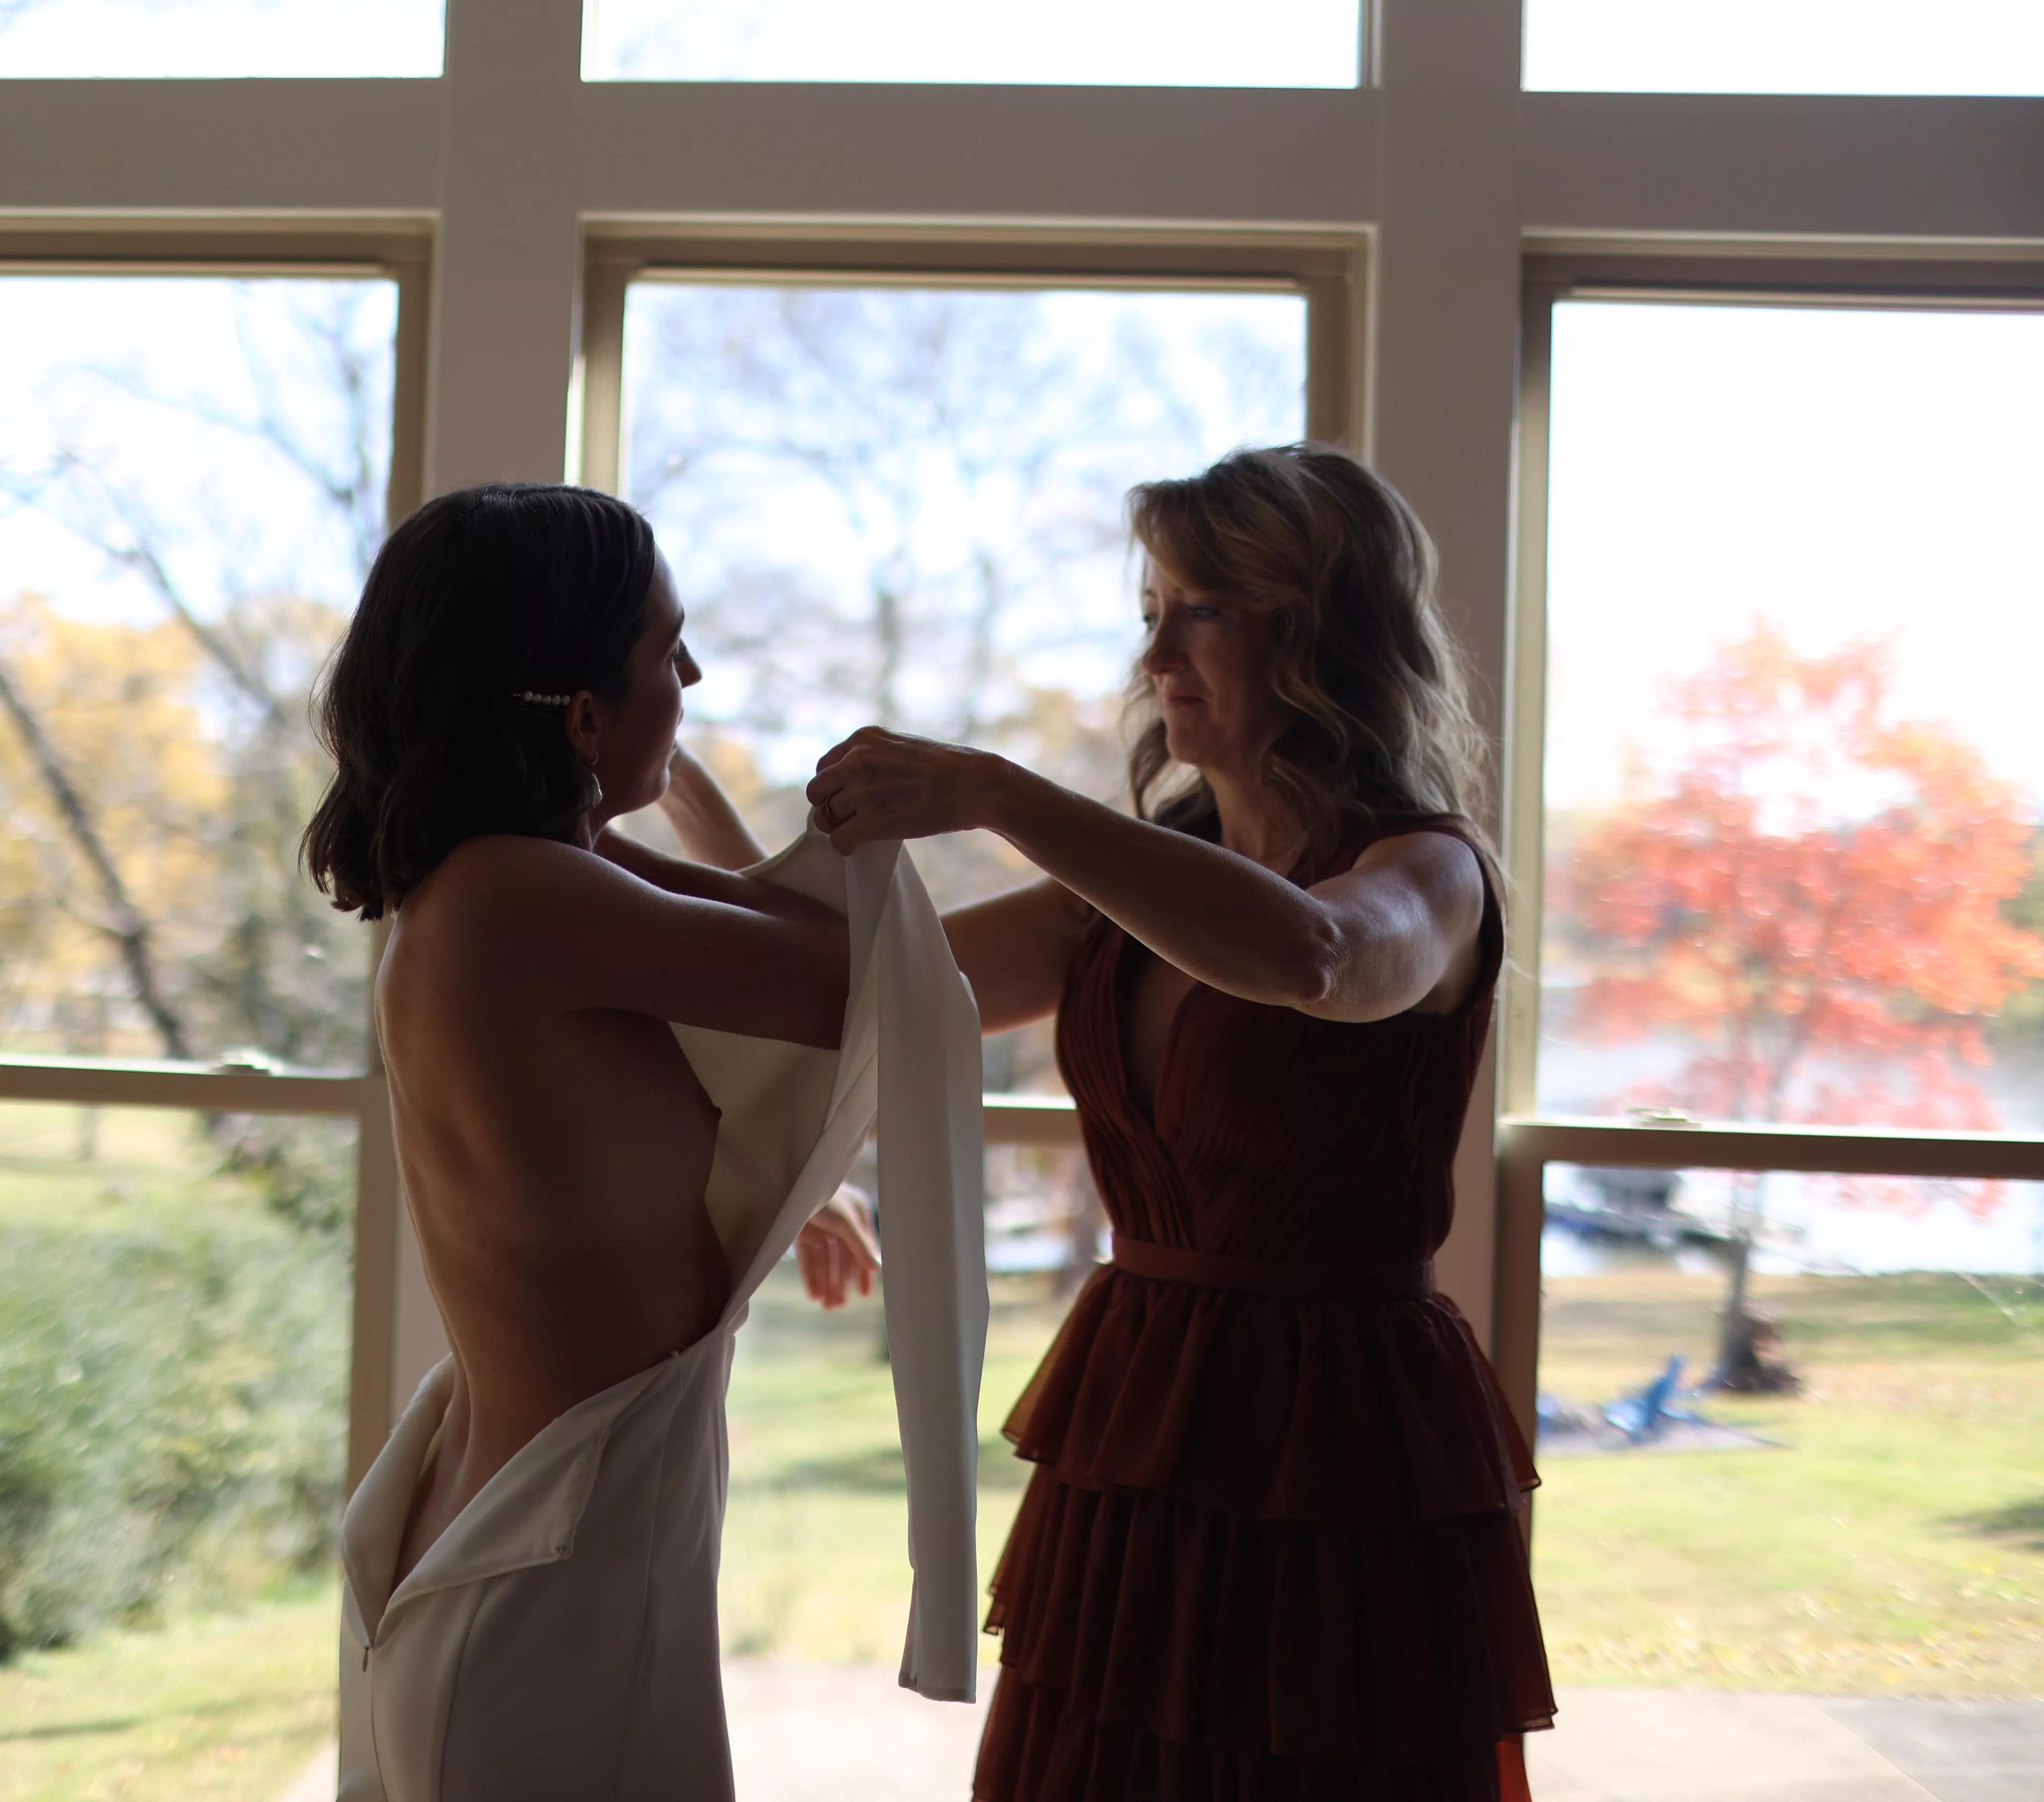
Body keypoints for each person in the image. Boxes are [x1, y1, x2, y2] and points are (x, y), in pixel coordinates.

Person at [806, 444, 1554, 1801]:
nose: (1157, 650)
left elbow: (1318, 959)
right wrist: (613, 834)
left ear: (1322, 624)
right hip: (1142, 1402)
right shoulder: (1138, 883)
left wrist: (998, 794)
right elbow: (849, 991)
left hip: (1334, 1432)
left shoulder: (1427, 871)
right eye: (1149, 610)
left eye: (1199, 607)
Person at [307, 482, 937, 1802]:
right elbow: (878, 987)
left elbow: (815, 959)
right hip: (550, 1602)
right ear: (581, 712)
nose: (695, 674)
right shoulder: (525, 894)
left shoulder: (503, 877)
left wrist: (623, 758)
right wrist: (1018, 810)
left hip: (535, 1571)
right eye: (667, 650)